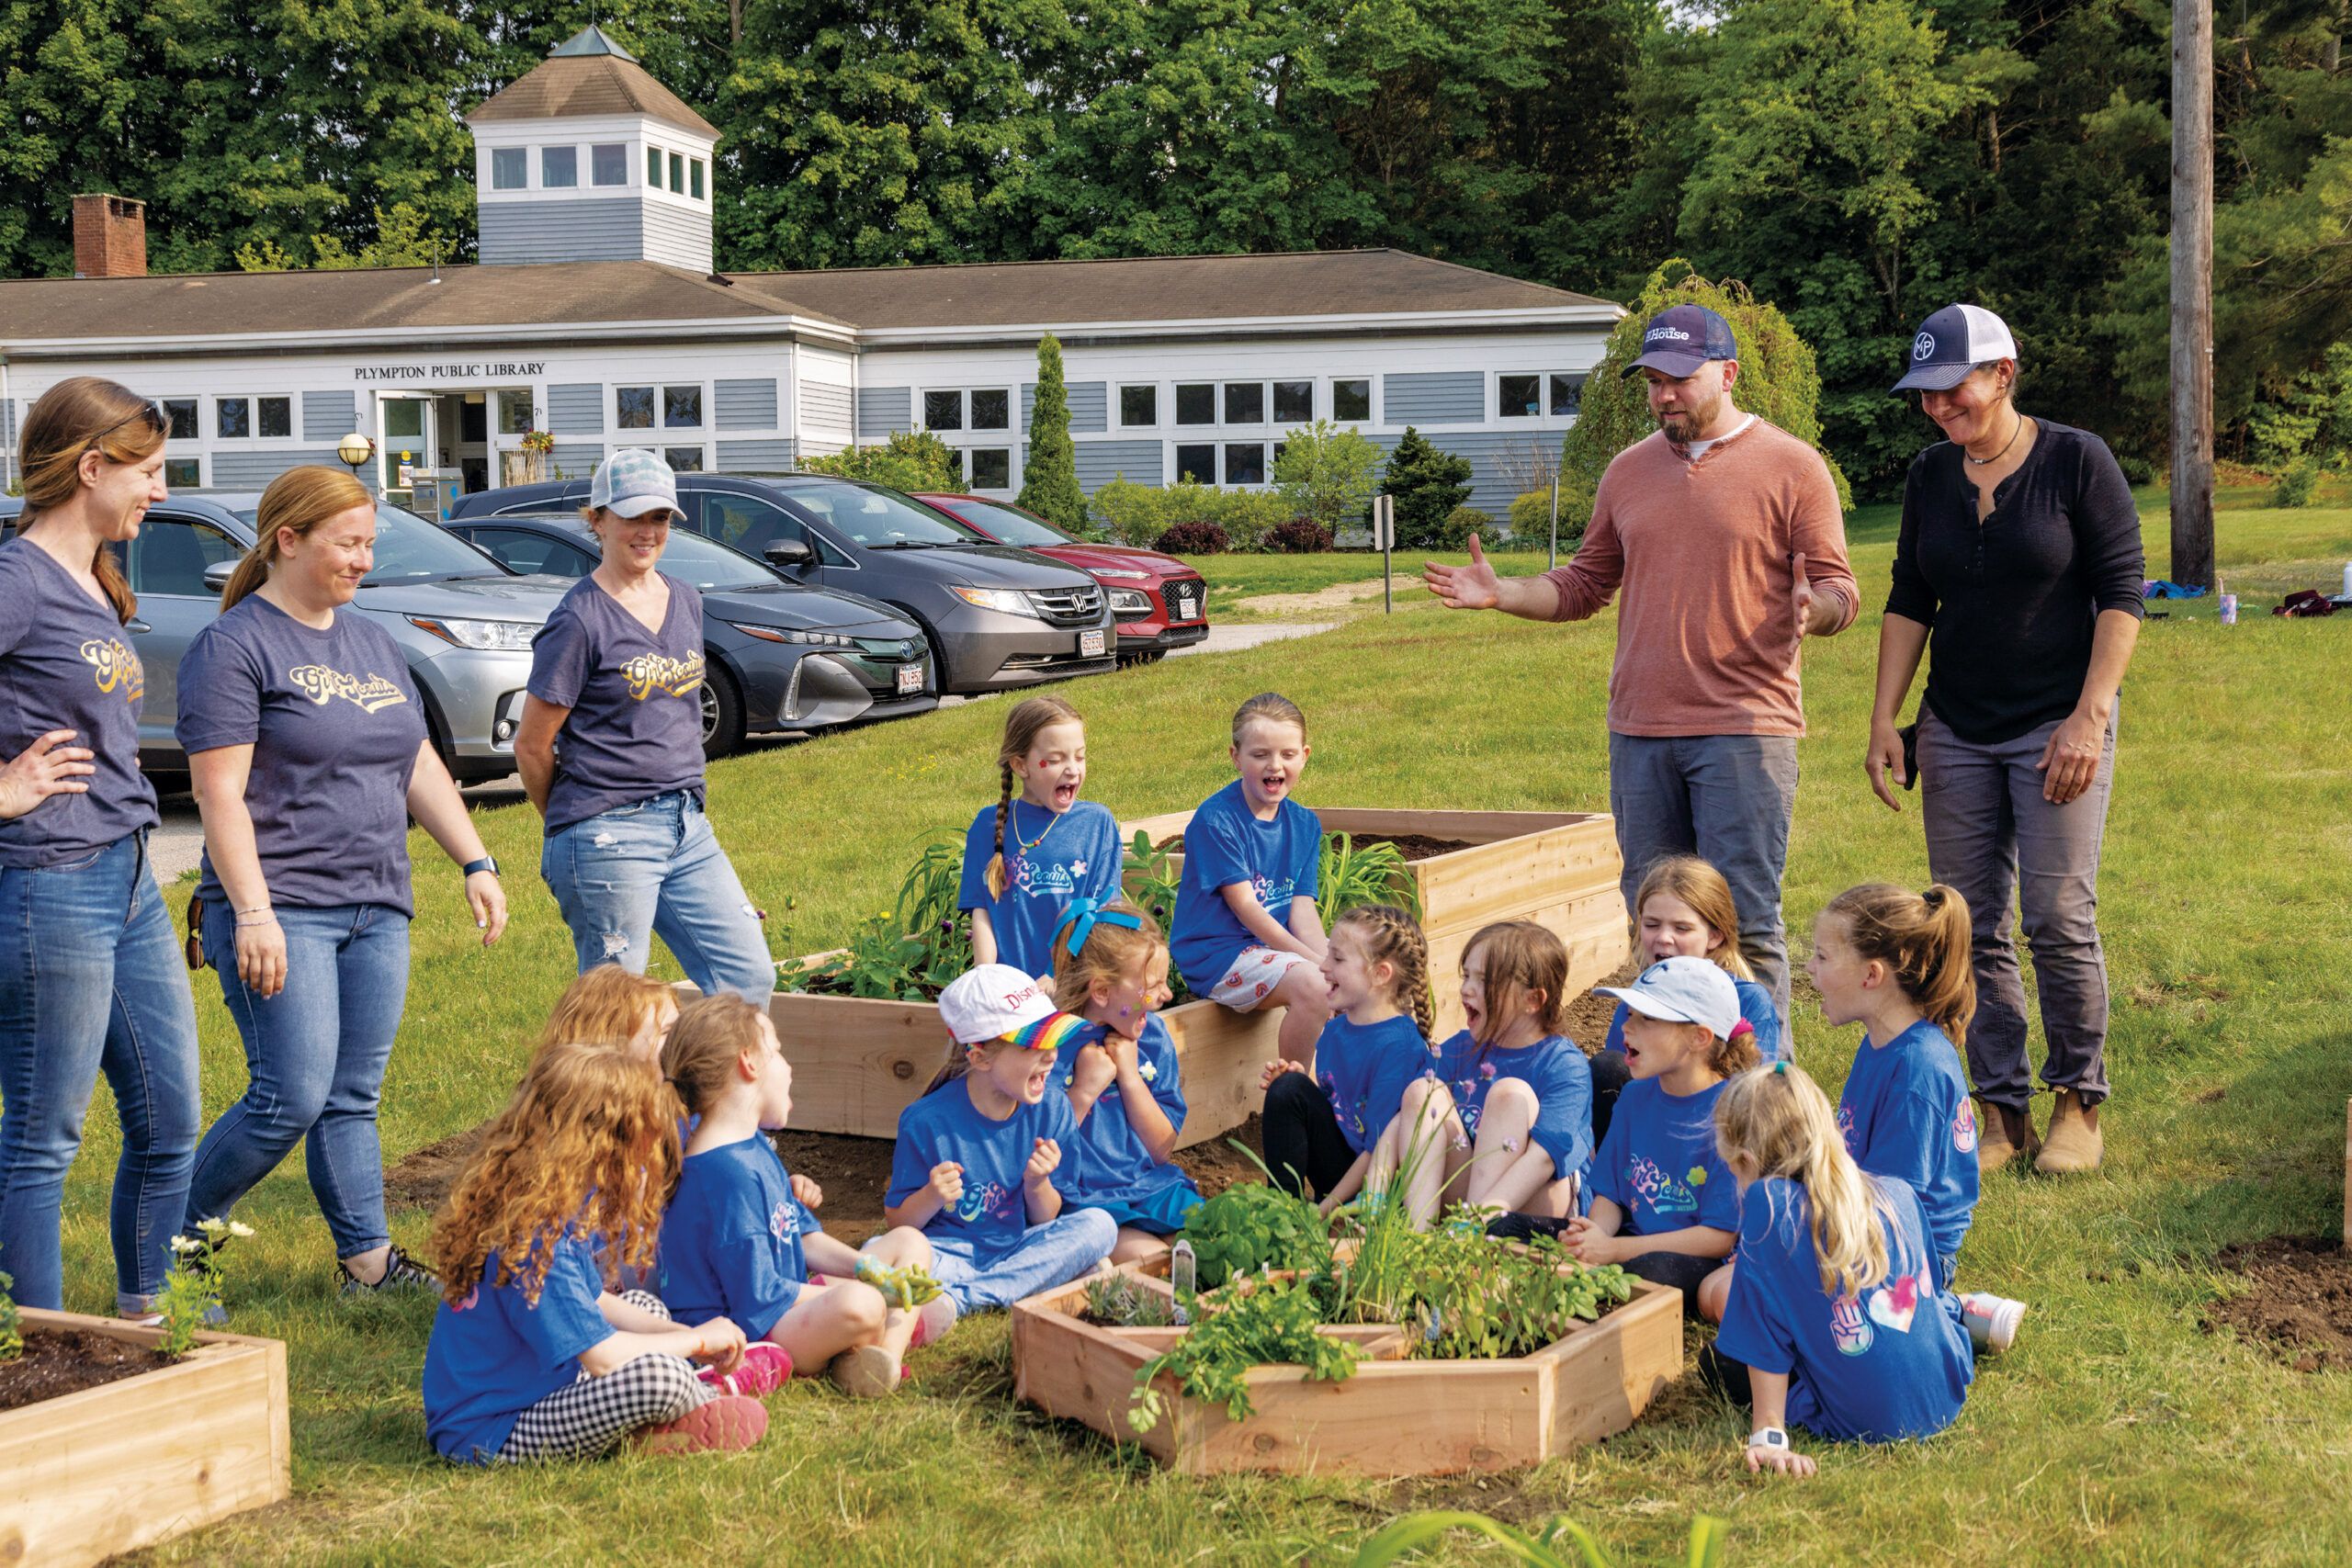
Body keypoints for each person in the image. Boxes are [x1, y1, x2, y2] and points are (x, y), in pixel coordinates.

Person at [1424, 303, 1859, 1036]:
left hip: (1745, 731)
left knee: (1743, 922)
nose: (1663, 395)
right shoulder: (1628, 471)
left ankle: (1762, 1091)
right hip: (1642, 732)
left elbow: (1841, 589)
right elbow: (1584, 584)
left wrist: (1818, 608)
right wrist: (1504, 593)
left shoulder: (1792, 466)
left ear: (1727, 373)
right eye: (1653, 381)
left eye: (1679, 379)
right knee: (1653, 921)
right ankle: (1671, 1075)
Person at [178, 466, 509, 1293]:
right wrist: (251, 913)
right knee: (288, 1093)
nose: (364, 561)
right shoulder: (233, 646)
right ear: (288, 539)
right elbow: (217, 794)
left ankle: (366, 1263)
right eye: (347, 543)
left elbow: (414, 759)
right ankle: (173, 1245)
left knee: (351, 1094)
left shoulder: (369, 640)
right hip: (282, 904)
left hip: (375, 902)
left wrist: (474, 858)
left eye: (369, 544)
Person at [1869, 303, 2144, 1176]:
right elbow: (1913, 593)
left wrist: (2089, 717)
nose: (1940, 410)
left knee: (2058, 916)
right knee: (1967, 923)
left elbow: (2123, 592)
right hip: (1955, 726)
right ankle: (2000, 1113)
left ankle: (2078, 1104)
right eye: (1927, 397)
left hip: (2056, 723)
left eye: (1955, 393)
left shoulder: (2076, 461)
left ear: (2003, 376)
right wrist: (1886, 714)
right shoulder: (1929, 476)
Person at [0, 378, 202, 1315]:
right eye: (149, 472)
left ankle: (143, 1326)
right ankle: (26, 1355)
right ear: (91, 468)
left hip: (124, 874)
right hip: (49, 885)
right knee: (44, 1140)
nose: (159, 491)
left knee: (169, 1121)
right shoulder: (17, 584)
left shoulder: (92, 581)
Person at [423, 1039, 766, 1463]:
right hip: (491, 1430)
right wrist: (695, 1342)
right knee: (663, 1375)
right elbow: (603, 1358)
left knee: (646, 1309)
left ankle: (666, 1419)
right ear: (602, 1147)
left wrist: (679, 1336)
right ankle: (703, 1397)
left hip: (542, 1385)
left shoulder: (543, 1207)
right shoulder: (534, 1239)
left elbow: (596, 1301)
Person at [516, 450, 772, 1004]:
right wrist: (576, 824)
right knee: (618, 1008)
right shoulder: (579, 619)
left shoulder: (685, 599)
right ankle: (594, 1095)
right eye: (632, 517)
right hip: (606, 829)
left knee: (747, 981)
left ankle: (695, 1092)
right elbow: (532, 746)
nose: (646, 532)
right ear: (598, 519)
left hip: (686, 824)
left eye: (659, 518)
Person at [658, 994, 955, 1396]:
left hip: (782, 1304)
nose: (789, 1067)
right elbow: (758, 1299)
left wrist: (871, 1271)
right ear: (749, 1063)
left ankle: (880, 1355)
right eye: (778, 1053)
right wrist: (866, 1291)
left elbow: (803, 1237)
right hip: (750, 1330)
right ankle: (884, 1334)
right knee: (861, 1305)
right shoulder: (724, 1176)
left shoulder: (751, 1143)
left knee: (910, 1242)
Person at [1704, 1062, 1974, 1478]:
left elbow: (1763, 1332)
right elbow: (1928, 1294)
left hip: (1869, 1421)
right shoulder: (1895, 1192)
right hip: (1947, 1389)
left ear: (1747, 1160)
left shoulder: (1768, 1204)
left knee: (1719, 1361)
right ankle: (1971, 1312)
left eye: (1733, 1171)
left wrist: (1769, 1436)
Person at [1807, 883, 2026, 1350]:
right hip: (1872, 1224)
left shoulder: (1916, 1071)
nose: (1809, 970)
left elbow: (1892, 1213)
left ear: (1872, 974)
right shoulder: (1882, 1041)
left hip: (1908, 1253)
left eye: (1822, 958)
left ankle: (1946, 1312)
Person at [1500, 957, 1755, 1323]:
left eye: (1646, 1018)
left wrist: (1614, 1249)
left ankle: (1574, 1295)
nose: (1626, 1026)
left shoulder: (1734, 1113)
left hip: (1694, 1258)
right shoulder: (1635, 1097)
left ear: (1700, 1037)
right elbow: (1610, 1195)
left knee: (1651, 1270)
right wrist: (1590, 1239)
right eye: (1630, 1013)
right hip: (1624, 1242)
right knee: (1505, 1228)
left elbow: (1718, 1237)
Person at [883, 964, 1116, 1312]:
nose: (1052, 1055)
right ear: (979, 1058)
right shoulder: (925, 1122)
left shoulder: (1053, 1108)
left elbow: (1047, 1219)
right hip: (949, 1253)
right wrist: (932, 1195)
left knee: (1100, 1226)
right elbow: (899, 1224)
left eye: (1053, 1039)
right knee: (885, 1251)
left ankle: (962, 1300)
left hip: (1020, 1244)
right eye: (1033, 1044)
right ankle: (1034, 1280)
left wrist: (1037, 1184)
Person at [1261, 905, 1453, 1226]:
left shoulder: (1399, 1047)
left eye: (1337, 958)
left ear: (1380, 974)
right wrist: (1299, 1092)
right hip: (1344, 1169)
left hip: (1380, 1186)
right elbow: (1339, 1109)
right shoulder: (1335, 1030)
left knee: (1291, 1091)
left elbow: (1378, 1150)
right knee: (1287, 1090)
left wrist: (1325, 1211)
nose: (1322, 966)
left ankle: (1311, 1224)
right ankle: (1280, 1217)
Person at [1170, 692, 1333, 1068]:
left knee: (1361, 970)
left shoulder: (1305, 824)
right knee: (1315, 985)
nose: (1274, 765)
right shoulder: (1217, 820)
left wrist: (1329, 960)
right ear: (1236, 757)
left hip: (1271, 950)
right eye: (1260, 754)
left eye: (1287, 755)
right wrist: (1314, 965)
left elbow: (1302, 909)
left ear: (1304, 756)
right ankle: (1292, 1096)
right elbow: (1245, 907)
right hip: (1217, 955)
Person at [1590, 856, 1785, 1147]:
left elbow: (1755, 1098)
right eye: (1652, 924)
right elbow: (1616, 1077)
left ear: (1715, 936)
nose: (1664, 938)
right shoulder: (1635, 1000)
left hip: (1714, 1144)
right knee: (1605, 1068)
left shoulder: (1748, 1000)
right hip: (1643, 1140)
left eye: (1682, 928)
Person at [1048, 897, 1198, 1264]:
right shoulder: (1050, 1047)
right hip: (1085, 1200)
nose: (1167, 995)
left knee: (1212, 1239)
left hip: (1153, 1188)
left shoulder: (1152, 1038)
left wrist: (1130, 1077)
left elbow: (1162, 1148)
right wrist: (1083, 1091)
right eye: (1154, 984)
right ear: (1101, 991)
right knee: (1157, 1262)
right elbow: (1040, 1150)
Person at [1430, 921, 1592, 1219]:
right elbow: (1414, 1117)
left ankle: (1473, 1234)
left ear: (1532, 1000)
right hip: (1469, 1198)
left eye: (1483, 980)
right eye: (1466, 976)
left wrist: (1480, 1221)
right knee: (1425, 1092)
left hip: (1539, 1203)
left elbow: (1544, 1159)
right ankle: (1420, 1233)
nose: (1466, 989)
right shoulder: (1458, 1048)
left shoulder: (1564, 1064)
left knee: (1509, 1094)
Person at [960, 695, 1122, 980]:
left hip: (1075, 985)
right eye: (1057, 760)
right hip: (1011, 994)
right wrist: (986, 978)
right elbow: (982, 910)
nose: (1073, 769)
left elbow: (1097, 913)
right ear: (1021, 766)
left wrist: (1055, 974)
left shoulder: (1096, 824)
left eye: (1080, 756)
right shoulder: (988, 824)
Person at [536, 964, 679, 1065]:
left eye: (679, 1028)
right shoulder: (604, 1107)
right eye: (666, 1031)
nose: (682, 1038)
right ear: (614, 1045)